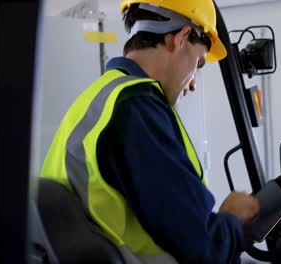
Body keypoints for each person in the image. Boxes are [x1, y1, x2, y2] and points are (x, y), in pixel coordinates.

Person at [41, 0, 261, 263]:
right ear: (181, 38)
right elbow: (204, 249)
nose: (192, 84)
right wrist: (235, 219)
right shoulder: (137, 107)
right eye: (199, 63)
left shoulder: (101, 97)